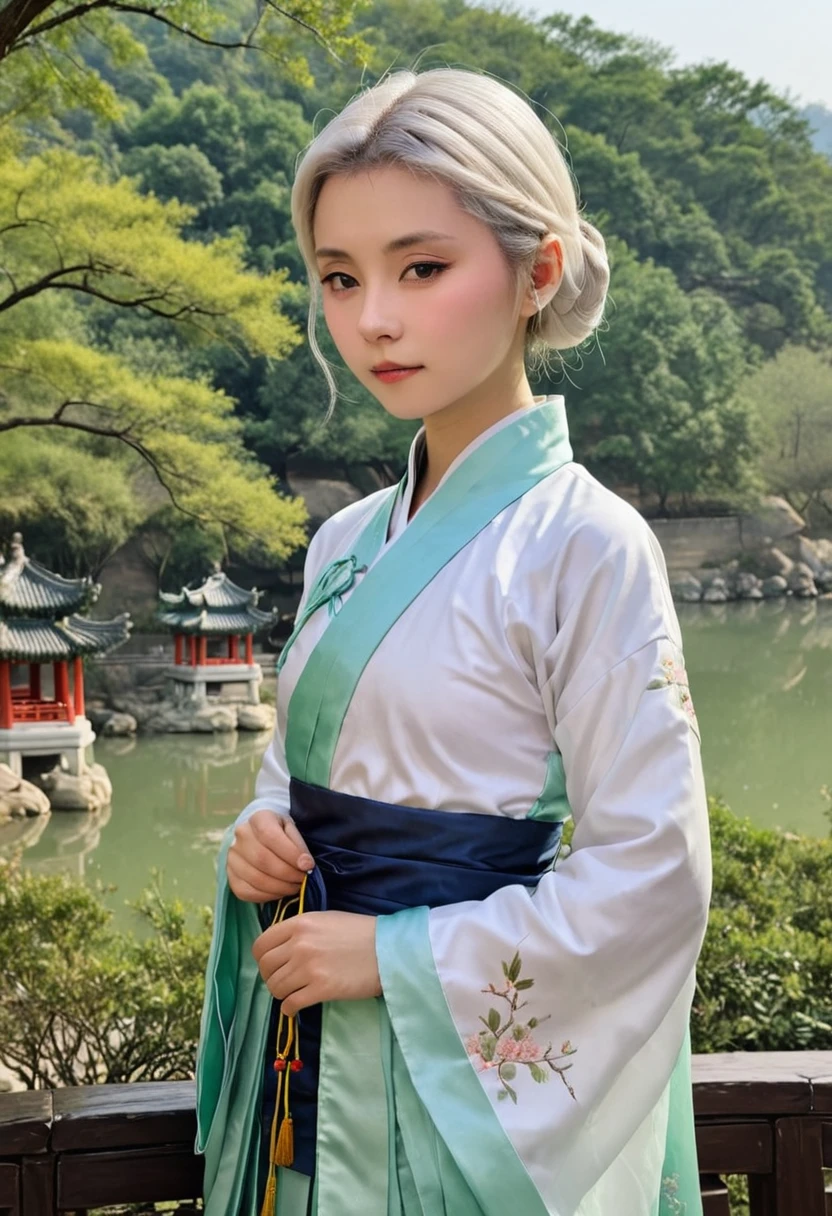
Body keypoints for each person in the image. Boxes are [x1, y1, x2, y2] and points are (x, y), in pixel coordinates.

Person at [195, 67, 712, 1216]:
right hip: (310, 1055)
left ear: (537, 270)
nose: (373, 317)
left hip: (450, 1091)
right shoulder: (343, 540)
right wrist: (259, 839)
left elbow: (653, 876)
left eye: (420, 267)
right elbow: (297, 773)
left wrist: (394, 959)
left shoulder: (589, 545)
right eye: (340, 277)